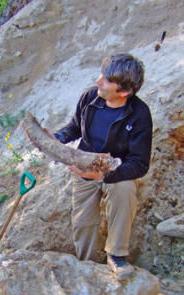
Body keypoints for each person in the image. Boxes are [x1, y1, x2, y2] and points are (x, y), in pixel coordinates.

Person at [53, 53, 153, 280]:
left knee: (125, 188)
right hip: (84, 165)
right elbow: (75, 127)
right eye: (101, 75)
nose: (98, 81)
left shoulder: (139, 114)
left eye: (106, 80)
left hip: (115, 170)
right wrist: (57, 137)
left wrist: (101, 176)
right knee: (83, 222)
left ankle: (117, 255)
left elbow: (139, 164)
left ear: (124, 91)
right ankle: (86, 265)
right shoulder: (90, 97)